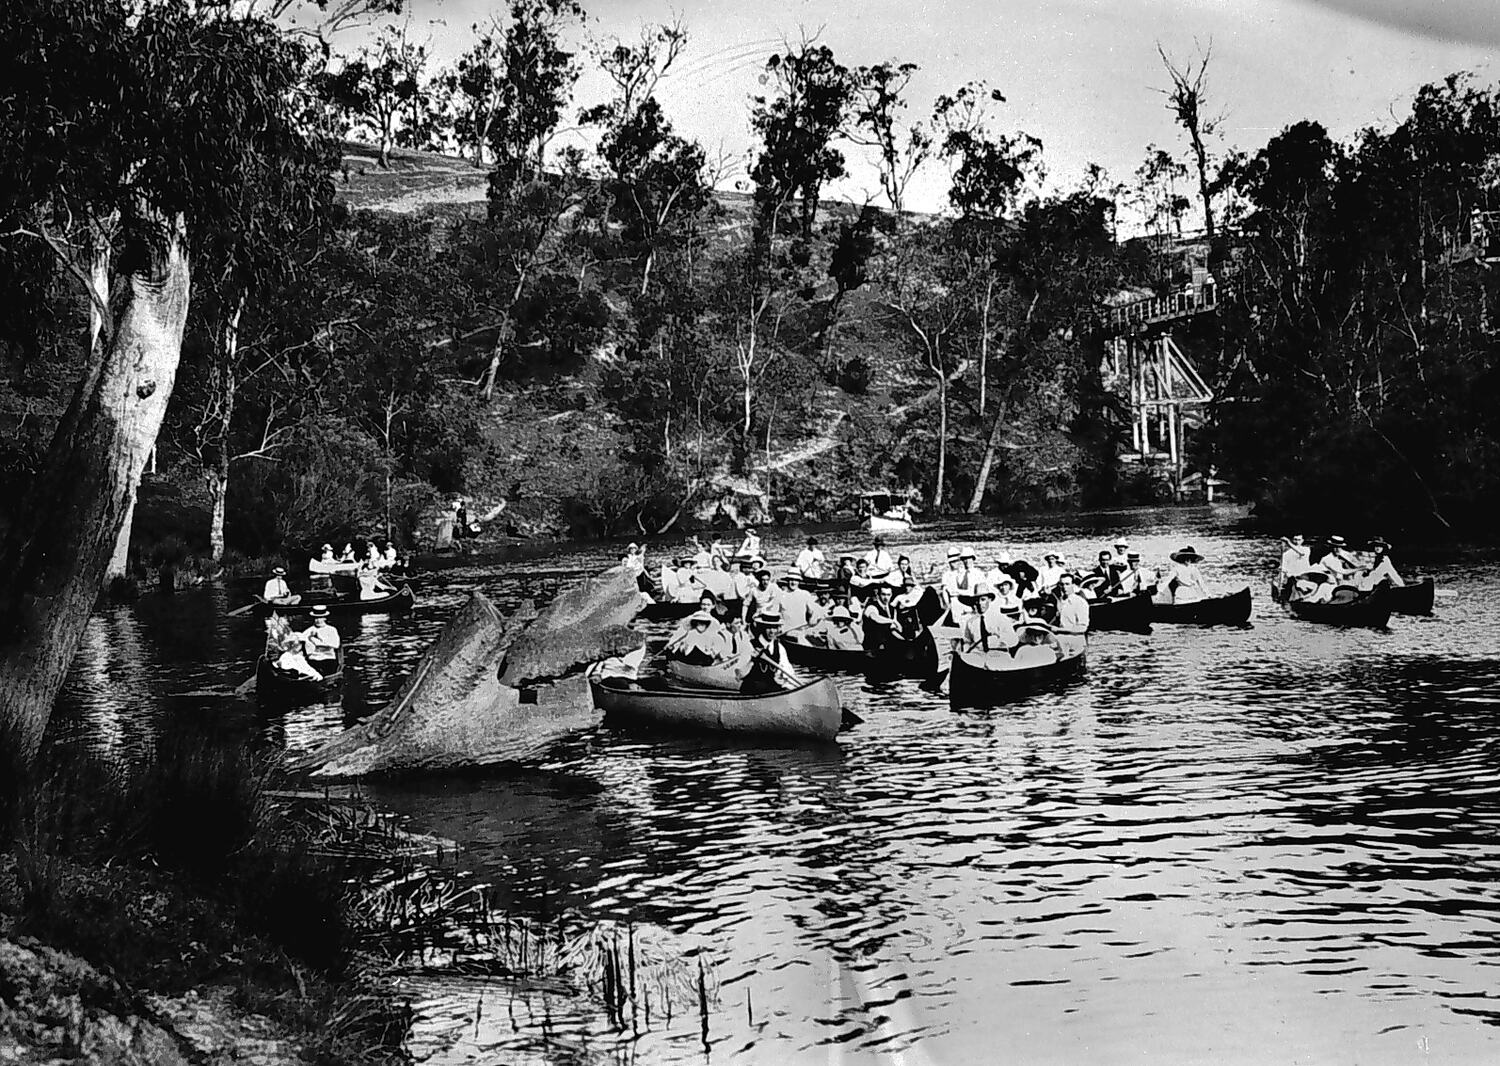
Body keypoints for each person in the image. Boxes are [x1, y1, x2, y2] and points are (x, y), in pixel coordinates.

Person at [741, 609, 800, 694]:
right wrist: (751, 661)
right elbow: (740, 675)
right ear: (762, 627)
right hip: (752, 690)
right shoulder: (750, 645)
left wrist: (793, 688)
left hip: (770, 689)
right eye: (768, 627)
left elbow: (788, 671)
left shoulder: (779, 647)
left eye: (775, 628)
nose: (772, 631)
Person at [960, 583, 1017, 652]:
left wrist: (999, 638)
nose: (980, 603)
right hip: (979, 656)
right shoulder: (970, 622)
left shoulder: (1000, 618)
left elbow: (1013, 640)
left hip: (998, 655)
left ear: (989, 600)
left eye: (983, 599)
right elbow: (967, 642)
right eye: (977, 600)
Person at [663, 609, 728, 664]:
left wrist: (714, 653)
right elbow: (679, 646)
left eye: (704, 623)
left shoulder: (712, 635)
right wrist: (671, 646)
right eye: (699, 622)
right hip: (689, 659)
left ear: (707, 624)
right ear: (695, 623)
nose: (701, 625)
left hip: (706, 660)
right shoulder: (689, 633)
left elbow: (717, 649)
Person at [300, 605, 341, 675]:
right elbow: (300, 639)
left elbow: (336, 645)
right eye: (316, 618)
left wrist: (318, 641)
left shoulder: (331, 630)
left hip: (328, 658)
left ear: (325, 618)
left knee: (328, 670)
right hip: (314, 659)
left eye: (320, 617)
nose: (318, 620)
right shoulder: (309, 630)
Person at [861, 583, 900, 652]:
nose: (886, 597)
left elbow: (892, 629)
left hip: (887, 645)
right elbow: (876, 618)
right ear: (878, 595)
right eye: (883, 594)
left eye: (888, 595)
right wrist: (892, 621)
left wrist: (903, 639)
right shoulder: (871, 606)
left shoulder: (892, 609)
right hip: (872, 646)